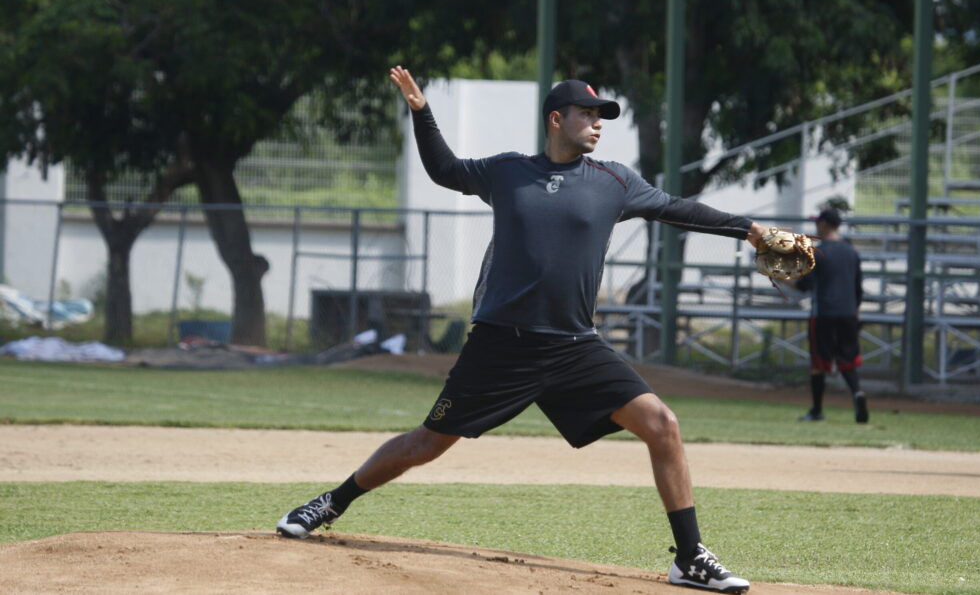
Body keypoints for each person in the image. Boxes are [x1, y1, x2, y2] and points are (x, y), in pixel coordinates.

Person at [276, 67, 767, 593]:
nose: (598, 124)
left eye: (601, 116)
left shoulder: (615, 182)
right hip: (501, 344)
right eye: (587, 114)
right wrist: (422, 111)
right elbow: (445, 170)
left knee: (662, 424)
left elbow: (678, 209)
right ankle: (332, 502)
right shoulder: (508, 172)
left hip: (575, 346)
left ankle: (689, 557)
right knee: (426, 444)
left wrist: (751, 230)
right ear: (556, 119)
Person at [794, 208, 868, 424]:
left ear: (825, 224)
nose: (816, 225)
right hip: (848, 313)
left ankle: (817, 411)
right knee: (847, 360)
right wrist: (856, 311)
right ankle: (857, 393)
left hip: (824, 313)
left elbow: (804, 285)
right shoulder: (851, 251)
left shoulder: (819, 251)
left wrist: (780, 279)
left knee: (819, 363)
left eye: (818, 222)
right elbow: (858, 288)